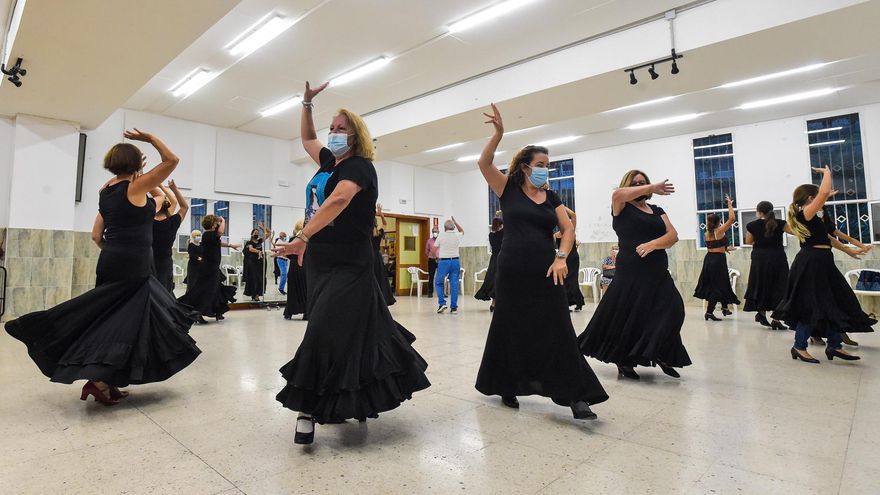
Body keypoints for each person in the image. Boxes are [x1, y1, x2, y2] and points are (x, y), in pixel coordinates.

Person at [272, 81, 429, 445]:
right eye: (333, 128)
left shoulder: (360, 168)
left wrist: (303, 236)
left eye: (342, 129)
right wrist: (307, 104)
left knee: (322, 328)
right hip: (318, 261)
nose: (334, 133)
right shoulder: (329, 161)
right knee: (350, 332)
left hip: (350, 262)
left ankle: (306, 408)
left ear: (356, 136)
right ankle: (352, 399)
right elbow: (308, 140)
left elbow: (339, 200)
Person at [4, 129, 201, 405]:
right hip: (134, 264)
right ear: (136, 166)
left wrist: (114, 249)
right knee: (126, 324)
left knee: (109, 318)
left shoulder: (105, 191)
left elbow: (97, 235)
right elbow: (171, 160)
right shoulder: (136, 188)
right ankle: (98, 380)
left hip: (110, 259)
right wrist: (150, 140)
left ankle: (107, 379)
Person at [474, 103, 607, 419]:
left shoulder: (552, 197)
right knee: (510, 327)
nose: (546, 168)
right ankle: (507, 384)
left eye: (548, 164)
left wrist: (561, 256)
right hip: (512, 271)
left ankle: (576, 396)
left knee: (559, 328)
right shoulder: (506, 189)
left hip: (547, 272)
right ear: (524, 166)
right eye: (541, 163)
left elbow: (568, 229)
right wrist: (499, 133)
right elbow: (483, 162)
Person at [577, 170, 688, 380]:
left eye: (643, 182)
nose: (640, 185)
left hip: (657, 270)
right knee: (630, 315)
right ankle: (624, 360)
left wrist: (653, 244)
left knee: (674, 310)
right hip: (631, 271)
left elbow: (672, 236)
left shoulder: (656, 210)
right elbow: (618, 194)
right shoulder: (621, 207)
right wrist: (652, 186)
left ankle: (661, 351)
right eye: (636, 183)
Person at [774, 167, 875, 363]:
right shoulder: (806, 213)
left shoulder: (814, 217)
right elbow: (823, 193)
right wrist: (827, 173)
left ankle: (835, 345)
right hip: (811, 263)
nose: (823, 200)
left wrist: (850, 250)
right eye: (819, 198)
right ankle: (799, 346)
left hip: (822, 261)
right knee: (810, 305)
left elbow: (828, 238)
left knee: (833, 301)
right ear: (811, 199)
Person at [178, 214, 239, 322]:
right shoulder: (208, 234)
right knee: (205, 290)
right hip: (209, 268)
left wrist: (230, 245)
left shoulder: (210, 236)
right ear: (213, 224)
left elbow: (219, 242)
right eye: (216, 223)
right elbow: (221, 232)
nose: (218, 225)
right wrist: (223, 220)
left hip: (212, 267)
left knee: (216, 288)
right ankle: (196, 313)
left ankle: (217, 311)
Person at [694, 196, 741, 320]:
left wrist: (726, 249)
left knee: (720, 283)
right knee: (717, 285)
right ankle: (710, 312)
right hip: (717, 260)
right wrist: (730, 205)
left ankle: (724, 308)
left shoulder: (706, 233)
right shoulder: (718, 231)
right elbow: (732, 219)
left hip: (709, 259)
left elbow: (714, 246)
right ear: (718, 222)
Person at [743, 201, 789, 329]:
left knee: (761, 284)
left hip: (760, 258)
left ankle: (761, 313)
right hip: (777, 257)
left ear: (759, 212)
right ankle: (776, 319)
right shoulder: (780, 223)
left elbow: (748, 241)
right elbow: (794, 232)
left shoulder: (752, 225)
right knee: (780, 285)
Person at [152, 180, 188, 293]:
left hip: (148, 261)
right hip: (165, 263)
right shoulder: (172, 222)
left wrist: (143, 180)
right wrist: (173, 189)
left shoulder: (146, 221)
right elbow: (184, 207)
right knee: (164, 293)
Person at [555, 206, 584, 311]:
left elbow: (573, 215)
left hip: (572, 258)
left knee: (572, 280)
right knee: (565, 281)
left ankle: (577, 302)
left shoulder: (571, 231)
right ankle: (569, 303)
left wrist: (559, 205)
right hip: (563, 258)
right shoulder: (556, 235)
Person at [434, 217, 464, 314]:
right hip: (455, 261)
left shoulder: (441, 235)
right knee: (454, 284)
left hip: (444, 262)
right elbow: (462, 230)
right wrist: (456, 222)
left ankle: (442, 303)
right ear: (454, 227)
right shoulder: (457, 235)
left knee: (438, 282)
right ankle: (454, 308)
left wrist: (436, 257)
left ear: (444, 228)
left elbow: (435, 248)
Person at [474, 216, 504, 311]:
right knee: (499, 280)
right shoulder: (502, 234)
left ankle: (493, 303)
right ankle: (495, 303)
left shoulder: (491, 235)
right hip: (502, 257)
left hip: (494, 258)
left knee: (493, 279)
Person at [283, 220, 308, 321]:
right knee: (305, 289)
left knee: (293, 289)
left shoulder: (293, 239)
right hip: (305, 265)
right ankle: (306, 313)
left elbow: (287, 254)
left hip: (294, 265)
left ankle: (289, 313)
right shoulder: (308, 240)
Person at [372, 204, 396, 306]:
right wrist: (381, 214)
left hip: (369, 257)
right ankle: (382, 299)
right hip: (377, 258)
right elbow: (385, 224)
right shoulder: (378, 233)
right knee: (380, 279)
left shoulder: (366, 233)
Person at [243, 224, 269, 301]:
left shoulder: (260, 241)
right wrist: (258, 251)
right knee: (255, 279)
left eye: (257, 233)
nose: (256, 234)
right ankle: (254, 295)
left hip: (260, 263)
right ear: (252, 234)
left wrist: (262, 227)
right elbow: (251, 249)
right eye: (255, 233)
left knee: (261, 279)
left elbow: (269, 233)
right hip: (252, 263)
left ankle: (257, 294)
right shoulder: (249, 242)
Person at [184, 229, 202, 293]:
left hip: (200, 266)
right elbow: (191, 255)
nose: (199, 237)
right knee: (192, 282)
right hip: (193, 266)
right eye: (197, 235)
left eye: (200, 235)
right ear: (194, 236)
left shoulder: (201, 244)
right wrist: (198, 258)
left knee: (199, 282)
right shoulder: (191, 245)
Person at [425, 226, 440, 297]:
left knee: (441, 276)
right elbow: (426, 251)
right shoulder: (429, 241)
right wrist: (431, 256)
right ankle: (430, 292)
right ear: (432, 232)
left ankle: (442, 293)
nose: (435, 233)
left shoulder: (441, 240)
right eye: (434, 231)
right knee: (431, 276)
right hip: (432, 260)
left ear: (438, 232)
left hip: (440, 260)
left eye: (436, 232)